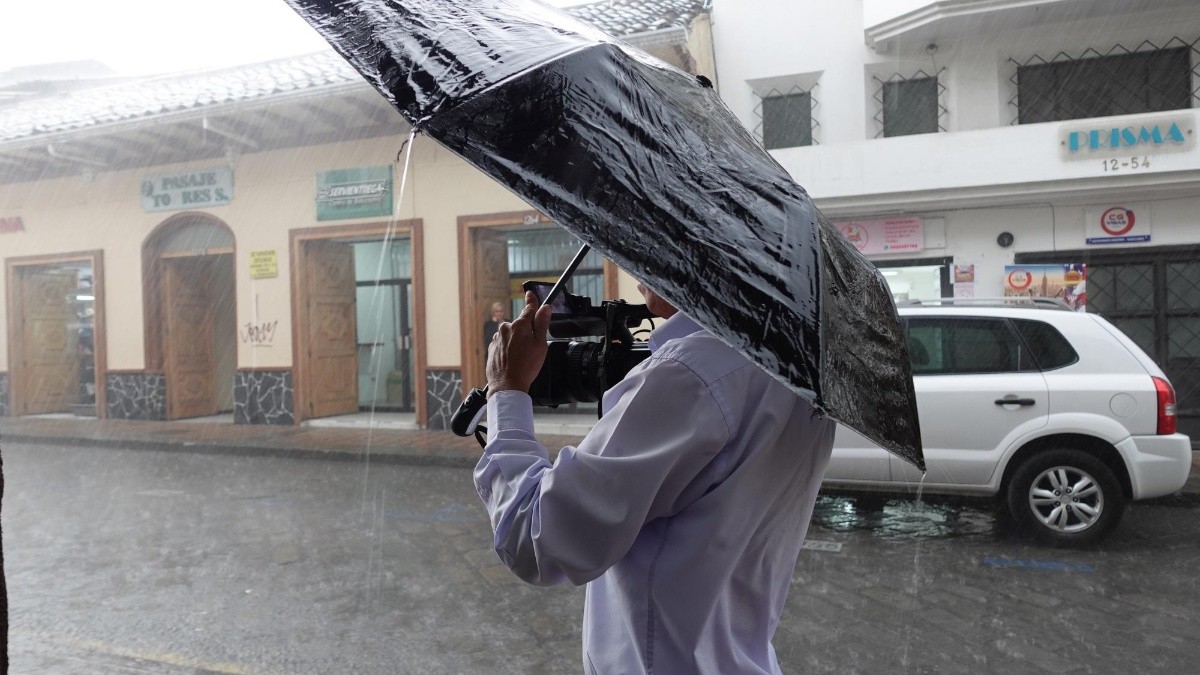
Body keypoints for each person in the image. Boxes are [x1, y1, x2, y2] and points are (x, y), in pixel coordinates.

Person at [475, 284, 836, 674]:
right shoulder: (798, 376)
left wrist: (506, 389)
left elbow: (535, 538)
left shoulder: (691, 376)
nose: (637, 275)